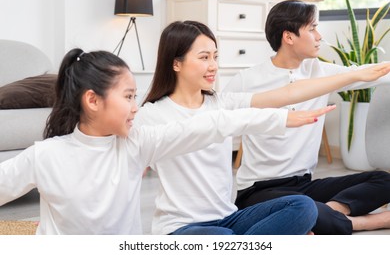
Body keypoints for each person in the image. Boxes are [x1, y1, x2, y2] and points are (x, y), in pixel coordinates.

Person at [0, 48, 329, 235]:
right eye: (128, 96)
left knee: (300, 207)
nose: (135, 106)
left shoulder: (135, 143)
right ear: (93, 100)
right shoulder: (45, 155)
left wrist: (280, 118)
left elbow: (209, 125)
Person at [135, 20, 390, 235]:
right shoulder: (152, 115)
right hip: (182, 228)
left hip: (229, 218)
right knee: (225, 237)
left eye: (215, 56)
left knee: (303, 207)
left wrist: (357, 75)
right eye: (203, 58)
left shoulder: (222, 102)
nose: (213, 65)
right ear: (175, 63)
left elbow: (287, 93)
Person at [223, 0, 390, 234]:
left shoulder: (320, 72)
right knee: (301, 207)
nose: (319, 35)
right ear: (289, 37)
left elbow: (372, 74)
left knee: (384, 180)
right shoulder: (247, 80)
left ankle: (322, 213)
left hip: (304, 185)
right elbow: (213, 122)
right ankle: (371, 221)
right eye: (312, 28)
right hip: (258, 191)